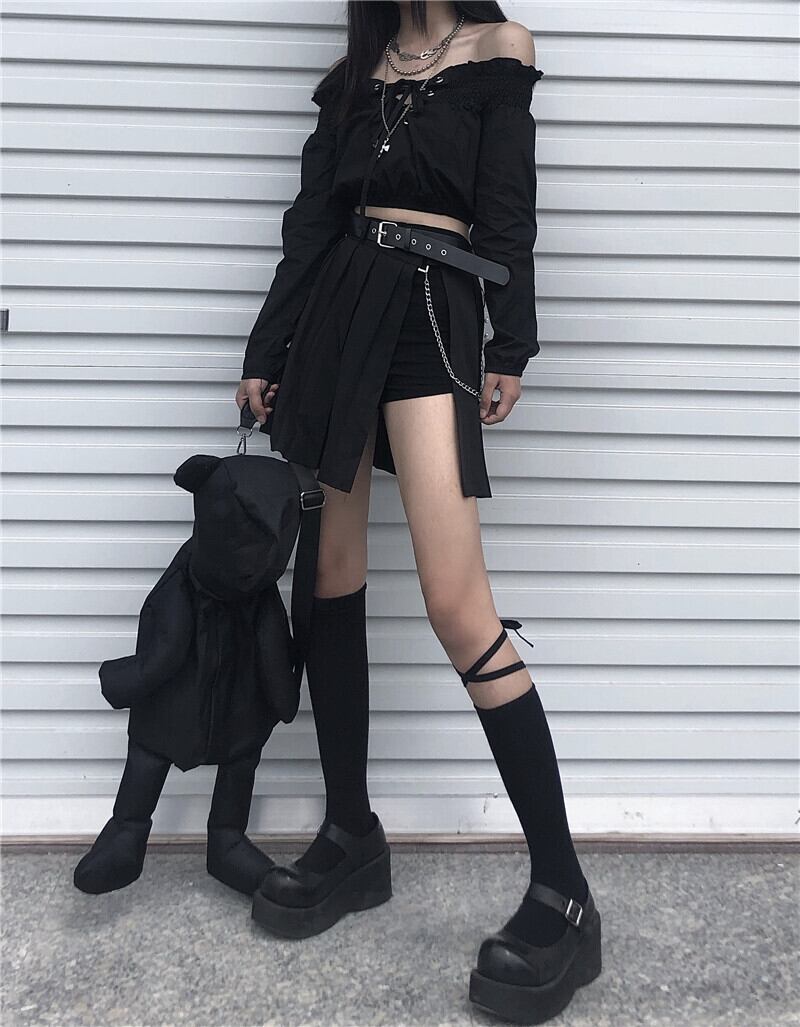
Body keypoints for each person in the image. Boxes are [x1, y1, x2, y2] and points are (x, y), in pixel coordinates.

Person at [235, 2, 602, 1022]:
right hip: (336, 310)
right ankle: (350, 832)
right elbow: (310, 223)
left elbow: (508, 208)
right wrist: (266, 347)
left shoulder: (497, 52)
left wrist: (510, 342)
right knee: (328, 575)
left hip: (433, 310)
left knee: (455, 601)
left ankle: (563, 890)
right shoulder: (355, 71)